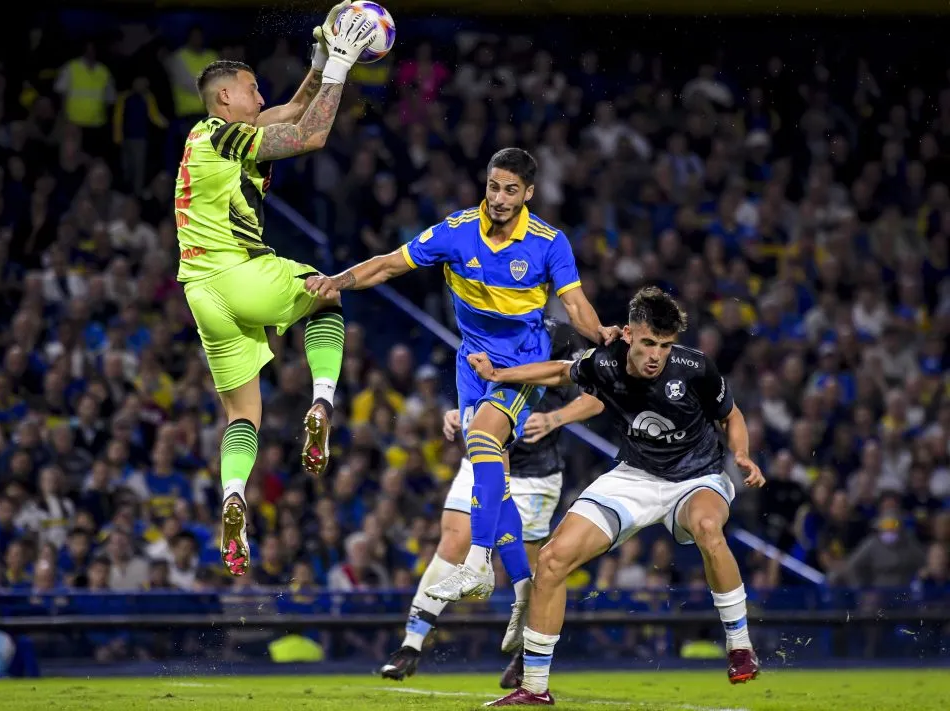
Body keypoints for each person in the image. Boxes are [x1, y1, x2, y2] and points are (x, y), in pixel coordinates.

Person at [306, 148, 615, 607]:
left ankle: (478, 563)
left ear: (529, 193)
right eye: (494, 186)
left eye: (511, 190)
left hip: (520, 365)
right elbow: (389, 264)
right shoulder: (457, 231)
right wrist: (337, 280)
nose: (500, 198)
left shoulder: (550, 242)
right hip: (471, 365)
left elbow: (575, 307)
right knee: (492, 475)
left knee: (484, 440)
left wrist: (603, 333)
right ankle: (522, 586)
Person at [469, 287, 766, 706]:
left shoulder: (695, 367)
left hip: (696, 477)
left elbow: (731, 415)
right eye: (648, 343)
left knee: (706, 526)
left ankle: (739, 645)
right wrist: (499, 375)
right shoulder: (604, 363)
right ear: (628, 334)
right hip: (634, 476)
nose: (656, 355)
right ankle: (534, 688)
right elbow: (560, 372)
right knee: (552, 560)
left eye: (664, 346)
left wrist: (742, 454)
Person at [174, 2, 382, 576]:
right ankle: (322, 401)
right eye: (252, 89)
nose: (260, 96)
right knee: (327, 291)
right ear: (225, 98)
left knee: (242, 414)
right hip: (238, 271)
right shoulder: (224, 136)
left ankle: (232, 496)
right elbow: (310, 135)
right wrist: (341, 68)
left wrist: (318, 64)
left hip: (200, 293)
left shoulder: (205, 136)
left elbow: (290, 111)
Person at [380, 319, 605, 686]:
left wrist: (555, 418)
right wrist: (463, 413)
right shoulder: (485, 323)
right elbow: (480, 387)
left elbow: (599, 395)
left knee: (533, 567)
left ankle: (527, 654)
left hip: (534, 472)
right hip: (482, 459)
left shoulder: (560, 334)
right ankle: (412, 644)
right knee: (453, 541)